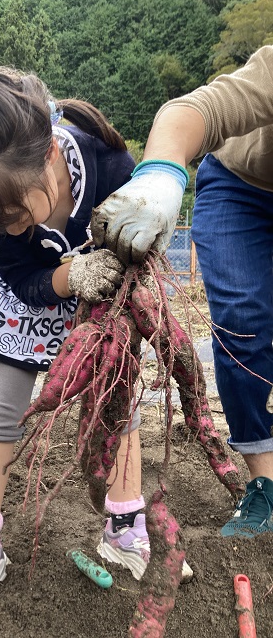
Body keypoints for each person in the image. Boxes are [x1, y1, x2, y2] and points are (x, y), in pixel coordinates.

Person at [0, 65, 192, 625]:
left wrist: (127, 266)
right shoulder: (4, 228)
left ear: (50, 152)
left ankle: (125, 529)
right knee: (0, 413)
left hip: (102, 304)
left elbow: (140, 229)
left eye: (20, 213)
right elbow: (22, 279)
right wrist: (68, 279)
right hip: (23, 302)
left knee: (117, 407)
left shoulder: (108, 161)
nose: (15, 229)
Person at [91, 45, 273, 539]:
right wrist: (162, 173)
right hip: (244, 187)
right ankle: (264, 484)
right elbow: (194, 111)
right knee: (242, 319)